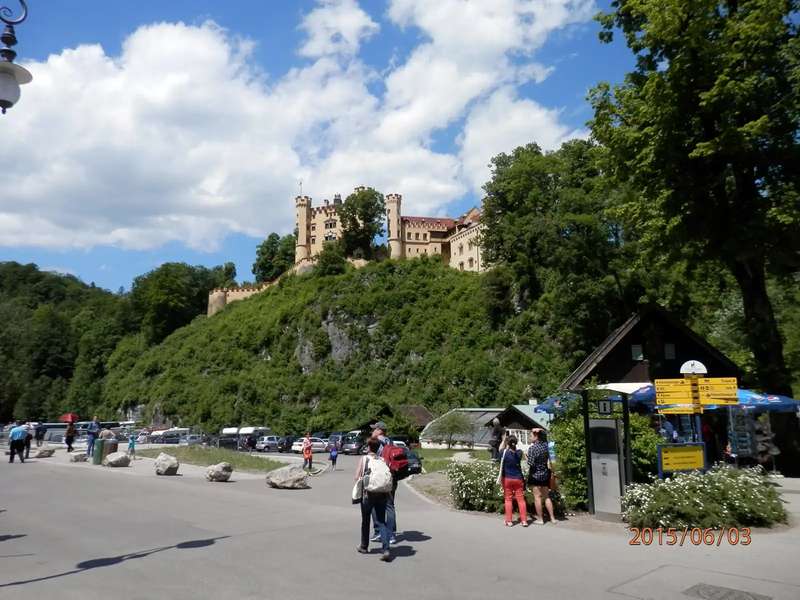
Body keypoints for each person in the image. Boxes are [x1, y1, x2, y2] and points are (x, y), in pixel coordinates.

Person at [355, 438, 391, 561]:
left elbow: (357, 476)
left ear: (369, 447)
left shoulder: (364, 459)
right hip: (382, 493)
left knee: (365, 520)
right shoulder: (383, 460)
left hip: (368, 494)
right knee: (381, 521)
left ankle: (364, 546)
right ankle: (386, 549)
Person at [370, 421, 398, 544]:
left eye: (374, 429)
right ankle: (391, 534)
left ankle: (378, 532)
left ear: (380, 430)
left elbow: (371, 458)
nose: (373, 431)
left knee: (374, 504)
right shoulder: (391, 442)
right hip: (392, 477)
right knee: (390, 506)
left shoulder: (376, 442)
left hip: (379, 477)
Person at [527, 429, 556, 525]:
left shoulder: (532, 448)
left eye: (531, 436)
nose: (530, 437)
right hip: (545, 474)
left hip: (535, 475)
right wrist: (541, 430)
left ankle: (540, 519)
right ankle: (552, 518)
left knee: (537, 497)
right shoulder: (546, 446)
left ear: (536, 437)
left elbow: (530, 463)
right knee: (547, 497)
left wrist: (526, 457)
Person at [498, 434, 528, 527]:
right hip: (518, 478)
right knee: (521, 500)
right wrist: (515, 443)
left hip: (507, 478)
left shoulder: (504, 453)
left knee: (508, 499)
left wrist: (504, 440)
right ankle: (524, 521)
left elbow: (500, 449)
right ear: (516, 443)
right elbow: (520, 449)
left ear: (508, 443)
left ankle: (509, 521)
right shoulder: (519, 453)